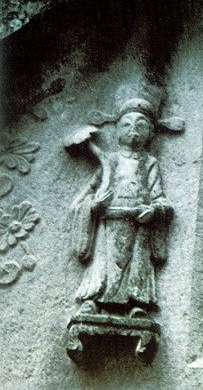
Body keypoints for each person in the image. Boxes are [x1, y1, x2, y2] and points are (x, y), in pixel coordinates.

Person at [67, 98, 172, 318]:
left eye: (141, 125)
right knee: (102, 265)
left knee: (137, 264)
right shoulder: (110, 160)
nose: (133, 131)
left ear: (151, 132)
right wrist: (94, 206)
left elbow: (160, 199)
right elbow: (82, 199)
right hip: (109, 223)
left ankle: (137, 303)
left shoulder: (149, 163)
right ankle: (93, 299)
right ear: (117, 131)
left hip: (138, 225)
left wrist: (154, 211)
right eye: (126, 125)